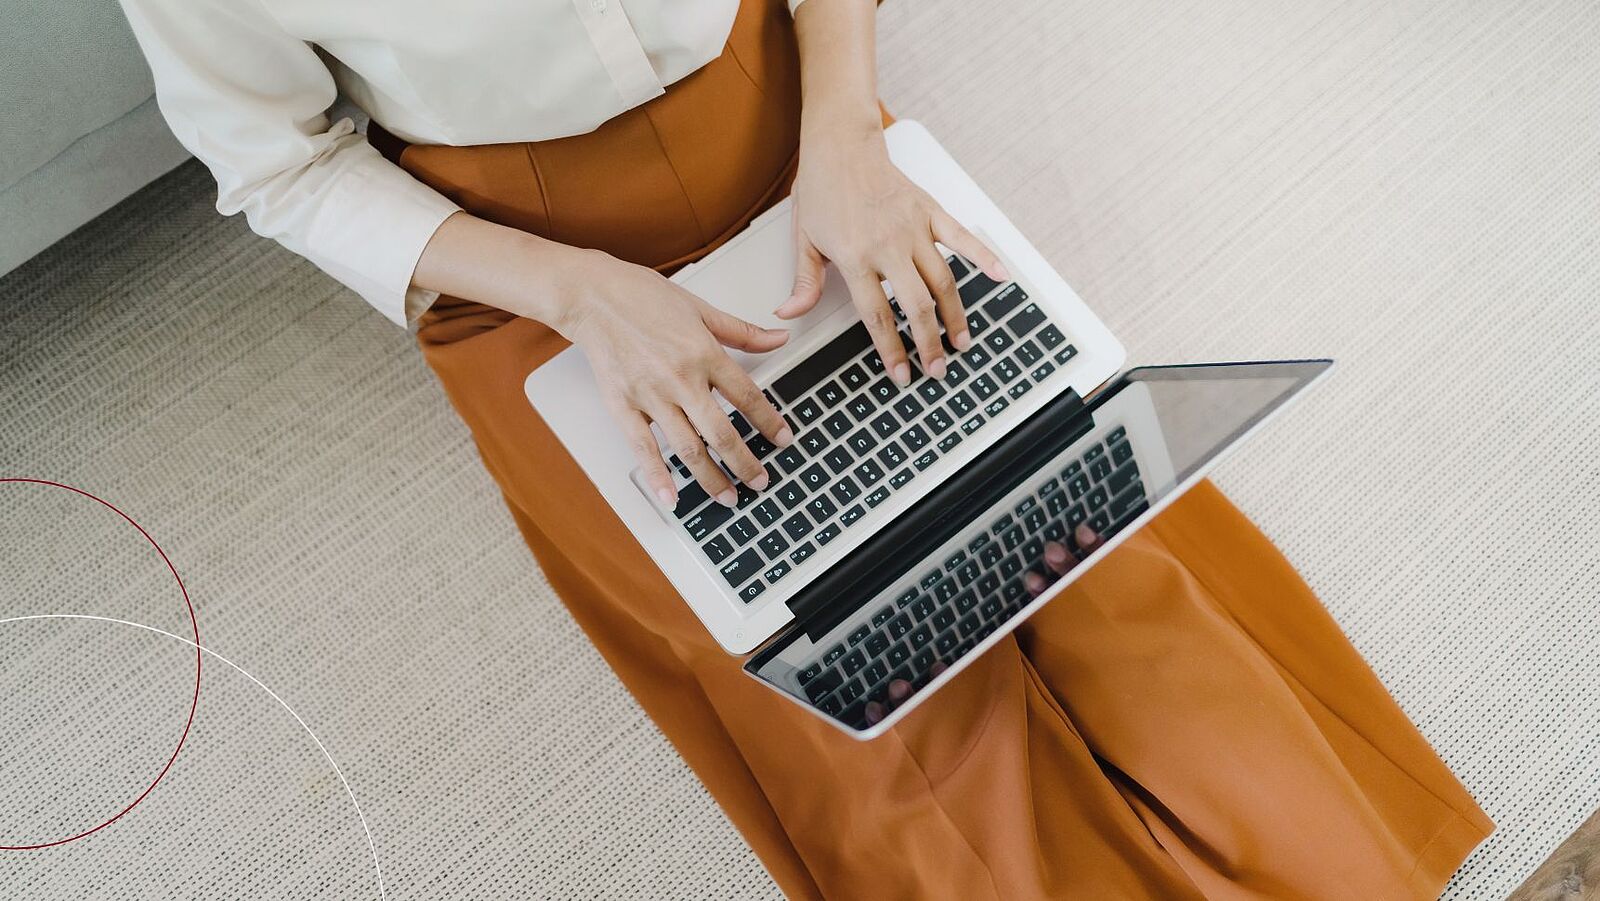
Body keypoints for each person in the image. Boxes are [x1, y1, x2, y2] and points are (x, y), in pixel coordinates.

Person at [118, 0, 1492, 896]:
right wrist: (586, 297)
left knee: (1065, 524)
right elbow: (279, 164)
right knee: (842, 688)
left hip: (786, 115)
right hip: (530, 266)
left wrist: (843, 125)